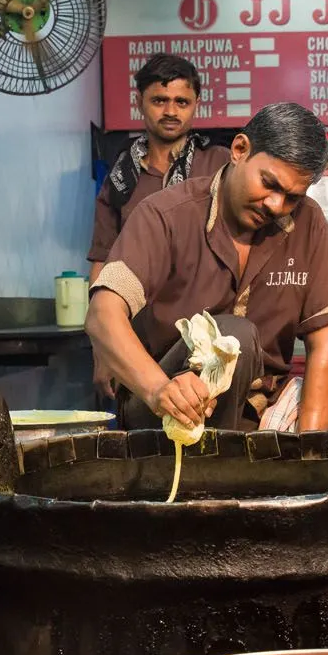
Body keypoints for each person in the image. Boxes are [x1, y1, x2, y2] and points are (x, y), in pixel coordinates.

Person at [85, 102, 328, 434]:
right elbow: (102, 315)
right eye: (269, 183)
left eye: (292, 197)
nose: (276, 205)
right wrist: (158, 389)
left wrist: (311, 453)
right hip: (167, 410)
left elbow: (322, 343)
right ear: (240, 150)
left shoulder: (307, 221)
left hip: (265, 403)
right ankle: (219, 471)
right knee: (233, 337)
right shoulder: (165, 215)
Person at [88, 54, 232, 400]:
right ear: (140, 103)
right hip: (139, 344)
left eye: (181, 101)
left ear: (196, 104)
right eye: (159, 100)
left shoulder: (220, 165)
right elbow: (102, 264)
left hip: (208, 341)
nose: (171, 111)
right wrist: (104, 349)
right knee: (143, 446)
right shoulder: (121, 180)